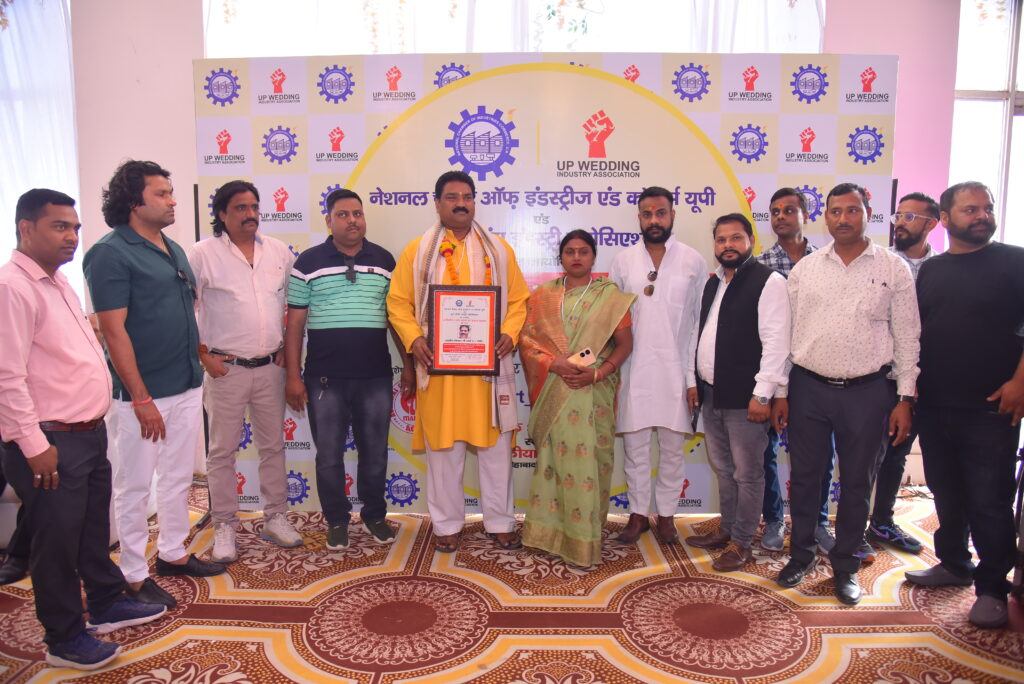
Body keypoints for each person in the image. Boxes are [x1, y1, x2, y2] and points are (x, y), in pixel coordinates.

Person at [0, 189, 166, 670]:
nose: (72, 236)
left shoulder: (58, 282)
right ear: (26, 228)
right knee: (55, 544)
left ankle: (107, 603)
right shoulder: (13, 288)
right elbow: (7, 377)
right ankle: (64, 638)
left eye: (74, 227)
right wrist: (33, 445)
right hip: (50, 440)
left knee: (91, 530)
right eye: (59, 226)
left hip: (86, 432)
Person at [84, 160, 225, 609]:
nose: (172, 201)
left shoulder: (172, 247)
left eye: (171, 192)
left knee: (178, 476)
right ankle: (132, 573)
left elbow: (186, 314)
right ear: (133, 201)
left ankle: (172, 552)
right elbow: (114, 331)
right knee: (135, 486)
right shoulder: (109, 253)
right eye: (161, 194)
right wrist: (140, 396)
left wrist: (200, 359)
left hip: (185, 384)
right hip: (142, 397)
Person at [773, 183, 919, 606]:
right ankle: (801, 555)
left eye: (852, 210)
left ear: (868, 213)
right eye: (835, 211)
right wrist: (781, 391)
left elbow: (908, 337)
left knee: (857, 482)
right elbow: (785, 335)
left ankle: (846, 566)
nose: (843, 218)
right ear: (826, 217)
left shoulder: (893, 268)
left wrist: (905, 398)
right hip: (809, 388)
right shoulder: (806, 269)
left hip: (869, 392)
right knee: (805, 478)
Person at [387, 170, 529, 553]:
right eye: (452, 197)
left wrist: (509, 333)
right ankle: (447, 525)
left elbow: (518, 301)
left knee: (496, 451)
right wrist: (414, 339)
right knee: (444, 452)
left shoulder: (498, 250)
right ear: (437, 203)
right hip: (440, 371)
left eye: (467, 196)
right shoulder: (418, 251)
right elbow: (397, 302)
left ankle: (500, 523)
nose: (461, 203)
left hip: (488, 372)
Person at [905, 181, 1024, 629]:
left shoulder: (1015, 261)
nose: (982, 216)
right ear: (946, 218)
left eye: (986, 208)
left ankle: (992, 588)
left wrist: (1020, 382)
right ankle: (955, 563)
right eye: (971, 209)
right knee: (947, 492)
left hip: (990, 408)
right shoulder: (932, 270)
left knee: (989, 500)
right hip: (936, 405)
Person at [286, 189, 412, 551]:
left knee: (375, 453)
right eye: (343, 215)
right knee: (329, 456)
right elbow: (294, 325)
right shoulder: (308, 262)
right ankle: (337, 521)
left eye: (357, 213)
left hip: (375, 376)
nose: (352, 220)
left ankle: (375, 516)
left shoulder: (384, 261)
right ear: (328, 221)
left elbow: (396, 319)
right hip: (325, 379)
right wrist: (293, 377)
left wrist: (408, 365)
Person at [188, 181, 303, 563]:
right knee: (222, 452)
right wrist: (204, 356)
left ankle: (275, 517)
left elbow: (292, 306)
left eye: (254, 206)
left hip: (270, 367)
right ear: (222, 214)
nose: (250, 214)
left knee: (273, 446)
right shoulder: (202, 254)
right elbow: (185, 309)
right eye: (240, 208)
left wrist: (287, 352)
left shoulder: (279, 251)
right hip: (226, 369)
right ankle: (224, 524)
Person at [519, 230, 635, 567]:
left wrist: (598, 374)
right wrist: (553, 363)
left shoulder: (609, 296)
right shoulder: (543, 296)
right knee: (554, 465)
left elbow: (625, 343)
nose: (576, 257)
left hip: (593, 393)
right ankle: (547, 535)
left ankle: (584, 541)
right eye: (569, 252)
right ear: (561, 257)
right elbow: (527, 342)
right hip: (555, 387)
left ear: (593, 256)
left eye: (583, 251)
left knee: (588, 466)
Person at [687, 214, 790, 571]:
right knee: (724, 469)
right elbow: (699, 335)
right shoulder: (713, 283)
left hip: (747, 397)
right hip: (712, 393)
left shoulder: (769, 281)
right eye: (721, 239)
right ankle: (727, 530)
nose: (727, 245)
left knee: (748, 474)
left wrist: (763, 395)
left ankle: (742, 543)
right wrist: (693, 381)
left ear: (750, 241)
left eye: (735, 238)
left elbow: (777, 343)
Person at [610, 186, 707, 544]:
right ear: (639, 218)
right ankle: (638, 515)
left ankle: (666, 516)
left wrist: (692, 377)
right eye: (647, 214)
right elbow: (612, 320)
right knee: (635, 450)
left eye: (661, 213)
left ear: (672, 215)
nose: (654, 220)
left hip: (676, 370)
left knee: (671, 450)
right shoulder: (623, 261)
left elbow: (700, 322)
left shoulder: (693, 261)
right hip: (632, 370)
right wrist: (614, 374)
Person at [755, 188, 835, 555]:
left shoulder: (826, 262)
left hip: (813, 372)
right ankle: (773, 519)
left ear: (806, 214)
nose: (781, 217)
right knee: (765, 451)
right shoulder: (759, 266)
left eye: (789, 210)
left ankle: (818, 522)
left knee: (820, 455)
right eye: (775, 211)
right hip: (772, 373)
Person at [866, 192, 939, 555]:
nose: (899, 223)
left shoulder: (942, 269)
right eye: (898, 216)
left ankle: (883, 521)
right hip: (885, 380)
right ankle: (864, 525)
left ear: (931, 223)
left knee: (912, 456)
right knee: (878, 454)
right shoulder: (881, 263)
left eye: (910, 217)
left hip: (932, 380)